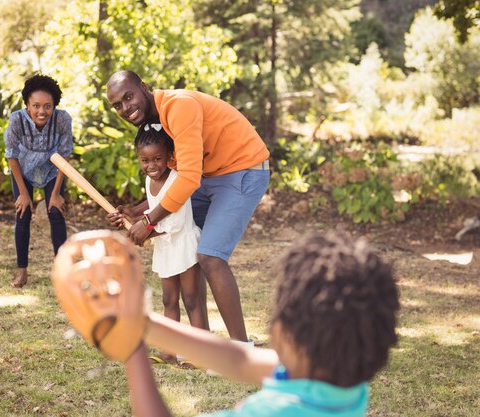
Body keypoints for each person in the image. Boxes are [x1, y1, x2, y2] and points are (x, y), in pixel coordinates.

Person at [125, 231, 400, 417]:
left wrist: (132, 348)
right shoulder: (346, 386)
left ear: (283, 333)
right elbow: (241, 360)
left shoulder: (271, 411)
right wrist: (146, 324)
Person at [106, 70, 270, 342]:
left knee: (210, 257)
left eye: (128, 97)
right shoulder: (154, 124)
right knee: (189, 248)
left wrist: (148, 222)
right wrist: (135, 212)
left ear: (144, 88)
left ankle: (241, 349)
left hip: (243, 169)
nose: (125, 108)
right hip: (209, 176)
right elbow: (176, 182)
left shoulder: (178, 106)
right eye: (117, 105)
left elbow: (188, 178)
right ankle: (201, 343)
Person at [109, 122, 209, 365]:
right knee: (168, 300)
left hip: (183, 244)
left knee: (192, 299)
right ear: (139, 159)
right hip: (166, 248)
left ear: (170, 157)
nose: (151, 166)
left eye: (157, 159)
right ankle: (169, 352)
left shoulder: (177, 180)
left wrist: (144, 232)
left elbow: (174, 222)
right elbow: (153, 206)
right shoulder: (150, 180)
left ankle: (203, 354)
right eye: (145, 161)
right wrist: (129, 213)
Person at [4, 74, 73, 288]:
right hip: (24, 170)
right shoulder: (16, 120)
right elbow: (11, 156)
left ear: (54, 106)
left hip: (53, 170)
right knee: (22, 214)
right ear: (27, 105)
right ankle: (22, 271)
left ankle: (62, 272)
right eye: (36, 105)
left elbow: (65, 155)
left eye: (47, 106)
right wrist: (24, 194)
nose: (41, 111)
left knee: (56, 212)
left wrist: (55, 194)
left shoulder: (62, 119)